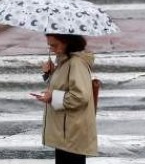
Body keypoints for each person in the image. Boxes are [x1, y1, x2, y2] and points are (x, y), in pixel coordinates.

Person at [32, 33, 98, 164]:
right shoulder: (65, 61)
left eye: (54, 45)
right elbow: (63, 84)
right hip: (65, 132)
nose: (51, 49)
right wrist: (49, 73)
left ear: (67, 42)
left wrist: (52, 97)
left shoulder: (76, 63)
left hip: (72, 133)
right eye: (49, 45)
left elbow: (80, 96)